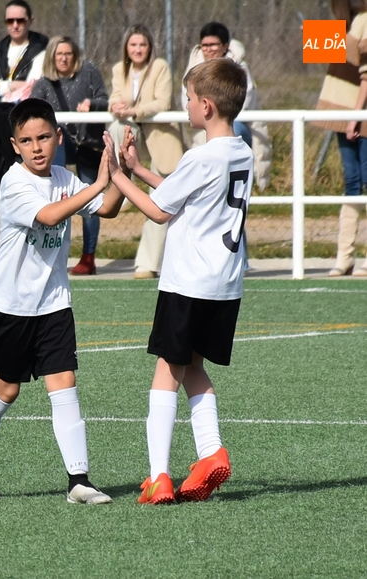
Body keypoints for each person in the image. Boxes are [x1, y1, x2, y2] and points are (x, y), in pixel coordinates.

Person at [0, 98, 124, 504]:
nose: (37, 146)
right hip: (10, 306)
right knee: (6, 391)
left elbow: (108, 207)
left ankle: (79, 480)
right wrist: (96, 185)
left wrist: (120, 169)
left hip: (54, 303)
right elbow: (48, 216)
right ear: (14, 145)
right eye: (27, 140)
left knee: (64, 385)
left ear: (59, 137)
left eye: (44, 137)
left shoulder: (64, 175)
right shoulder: (15, 182)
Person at [106, 58, 253, 504]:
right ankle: (210, 452)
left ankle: (159, 477)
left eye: (188, 99)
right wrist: (140, 168)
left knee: (167, 373)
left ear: (206, 106)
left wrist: (116, 175)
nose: (185, 106)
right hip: (225, 285)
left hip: (188, 282)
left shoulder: (200, 155)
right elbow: (184, 189)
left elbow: (158, 211)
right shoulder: (241, 150)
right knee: (194, 368)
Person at [0, 0, 48, 275]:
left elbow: (34, 87)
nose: (15, 26)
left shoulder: (42, 48)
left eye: (20, 20)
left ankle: (34, 258)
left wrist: (0, 88)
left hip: (28, 129)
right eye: (10, 21)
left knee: (32, 197)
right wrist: (8, 86)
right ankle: (3, 256)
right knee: (1, 193)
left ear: (30, 20)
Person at [108, 24, 185, 280]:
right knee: (116, 125)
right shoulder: (119, 69)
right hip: (133, 137)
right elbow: (115, 98)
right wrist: (116, 106)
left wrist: (131, 111)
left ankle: (148, 264)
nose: (138, 49)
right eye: (133, 45)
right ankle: (122, 182)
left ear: (149, 47)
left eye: (142, 45)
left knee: (161, 199)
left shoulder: (160, 66)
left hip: (160, 137)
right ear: (126, 48)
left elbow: (162, 102)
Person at [31, 36, 109, 275]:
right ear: (51, 57)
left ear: (75, 55)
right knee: (57, 195)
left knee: (89, 193)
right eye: (59, 54)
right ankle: (52, 251)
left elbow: (104, 99)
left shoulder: (89, 71)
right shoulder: (44, 83)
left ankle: (88, 257)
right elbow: (34, 109)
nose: (63, 58)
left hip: (88, 141)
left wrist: (91, 105)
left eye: (68, 53)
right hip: (59, 143)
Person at [181, 21, 274, 192]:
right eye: (204, 45)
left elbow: (239, 104)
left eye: (213, 44)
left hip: (234, 126)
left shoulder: (237, 69)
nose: (208, 49)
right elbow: (185, 102)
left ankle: (226, 185)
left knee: (229, 134)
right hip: (205, 128)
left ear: (225, 46)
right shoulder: (193, 69)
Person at [315, 0, 367, 277]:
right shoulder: (339, 23)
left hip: (360, 112)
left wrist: (356, 115)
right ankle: (344, 257)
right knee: (351, 181)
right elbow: (329, 61)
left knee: (366, 180)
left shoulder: (364, 20)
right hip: (341, 109)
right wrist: (316, 35)